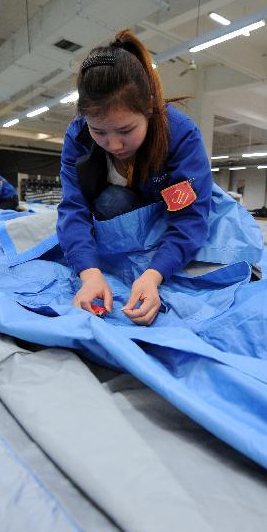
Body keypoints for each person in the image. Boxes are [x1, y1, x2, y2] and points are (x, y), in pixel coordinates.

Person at [56, 29, 213, 326]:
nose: (114, 145)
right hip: (125, 208)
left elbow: (189, 219)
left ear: (150, 109)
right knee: (111, 202)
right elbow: (73, 209)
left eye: (126, 131)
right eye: (99, 132)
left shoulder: (181, 134)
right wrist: (89, 273)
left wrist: (155, 275)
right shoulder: (77, 136)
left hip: (173, 208)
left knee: (213, 239)